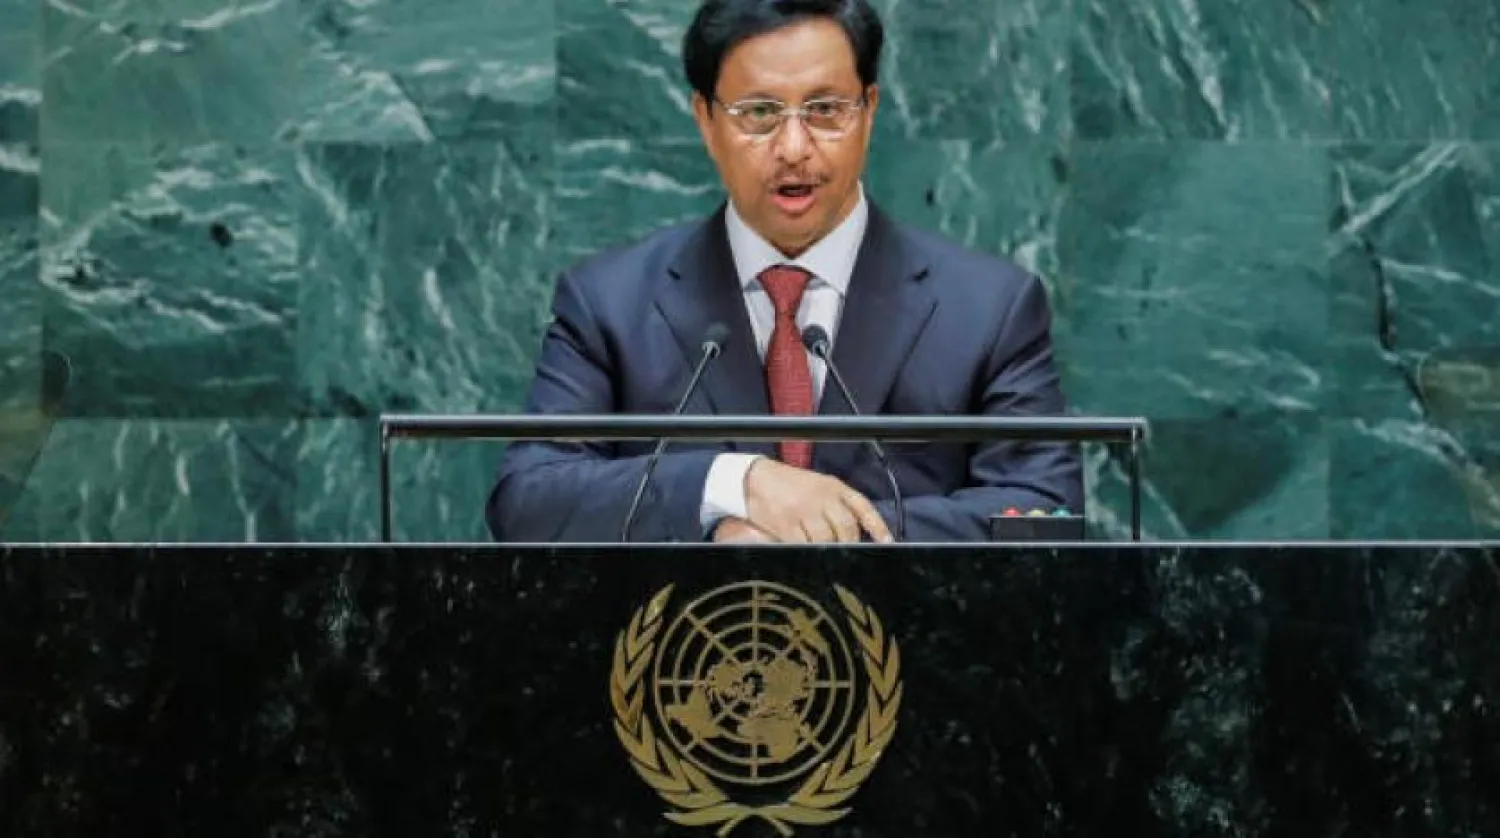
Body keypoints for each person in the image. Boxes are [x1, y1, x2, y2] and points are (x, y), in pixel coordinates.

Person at [486, 0, 1082, 544]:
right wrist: (730, 485)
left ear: (869, 111)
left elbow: (1047, 515)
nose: (794, 147)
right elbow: (528, 503)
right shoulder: (608, 305)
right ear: (706, 121)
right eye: (759, 113)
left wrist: (824, 532)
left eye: (825, 110)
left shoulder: (989, 308)